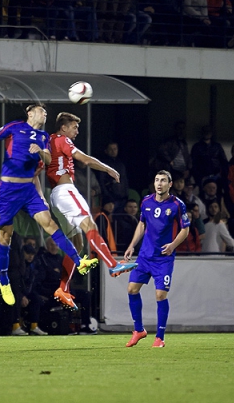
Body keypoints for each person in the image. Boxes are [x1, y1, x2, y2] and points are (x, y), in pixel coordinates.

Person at [0, 104, 98, 307]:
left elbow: (48, 159)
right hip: (9, 190)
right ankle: (4, 280)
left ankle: (79, 260)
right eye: (41, 111)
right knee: (6, 236)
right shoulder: (15, 127)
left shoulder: (43, 137)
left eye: (46, 112)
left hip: (29, 190)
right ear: (30, 114)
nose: (45, 113)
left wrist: (40, 151)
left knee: (50, 224)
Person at [46, 112, 137, 309]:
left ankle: (63, 288)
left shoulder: (50, 140)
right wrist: (108, 169)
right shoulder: (62, 139)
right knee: (90, 225)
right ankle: (113, 264)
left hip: (55, 197)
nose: (77, 131)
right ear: (63, 128)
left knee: (77, 245)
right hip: (65, 191)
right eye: (74, 127)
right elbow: (84, 159)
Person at [123, 170, 190, 348]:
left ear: (170, 184)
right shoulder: (146, 201)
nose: (159, 183)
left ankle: (159, 337)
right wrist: (131, 245)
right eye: (157, 180)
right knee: (131, 289)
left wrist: (173, 245)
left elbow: (185, 229)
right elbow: (142, 224)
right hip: (145, 256)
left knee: (160, 295)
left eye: (163, 181)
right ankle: (138, 330)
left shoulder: (177, 204)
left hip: (163, 258)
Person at [100, 141, 129, 212]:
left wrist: (126, 194)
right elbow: (101, 181)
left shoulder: (120, 164)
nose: (113, 151)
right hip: (110, 199)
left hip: (122, 198)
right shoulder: (103, 165)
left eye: (115, 149)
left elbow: (124, 181)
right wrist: (107, 197)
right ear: (106, 151)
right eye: (111, 149)